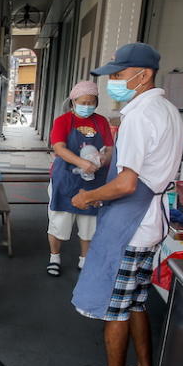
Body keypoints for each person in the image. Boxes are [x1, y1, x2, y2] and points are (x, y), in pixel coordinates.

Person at [69, 43, 183, 366]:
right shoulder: (168, 110)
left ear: (143, 75)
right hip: (151, 223)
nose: (112, 83)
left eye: (118, 75)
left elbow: (126, 184)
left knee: (116, 306)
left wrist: (88, 196)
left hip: (131, 226)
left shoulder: (138, 116)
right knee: (136, 302)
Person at [47, 80, 114, 276]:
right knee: (59, 221)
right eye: (83, 102)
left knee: (89, 223)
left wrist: (103, 158)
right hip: (66, 179)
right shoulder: (63, 121)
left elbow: (110, 148)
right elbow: (58, 147)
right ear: (73, 101)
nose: (87, 106)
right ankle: (54, 257)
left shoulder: (101, 121)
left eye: (91, 102)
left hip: (95, 180)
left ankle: (84, 259)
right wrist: (82, 163)